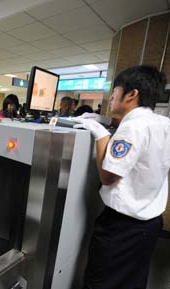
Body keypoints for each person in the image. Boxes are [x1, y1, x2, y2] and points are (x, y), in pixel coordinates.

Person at [74, 65, 170, 289]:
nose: (111, 98)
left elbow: (108, 176)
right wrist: (105, 119)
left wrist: (101, 134)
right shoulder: (163, 123)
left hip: (121, 227)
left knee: (100, 281)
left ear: (131, 94)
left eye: (115, 92)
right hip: (150, 223)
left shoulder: (132, 128)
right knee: (131, 280)